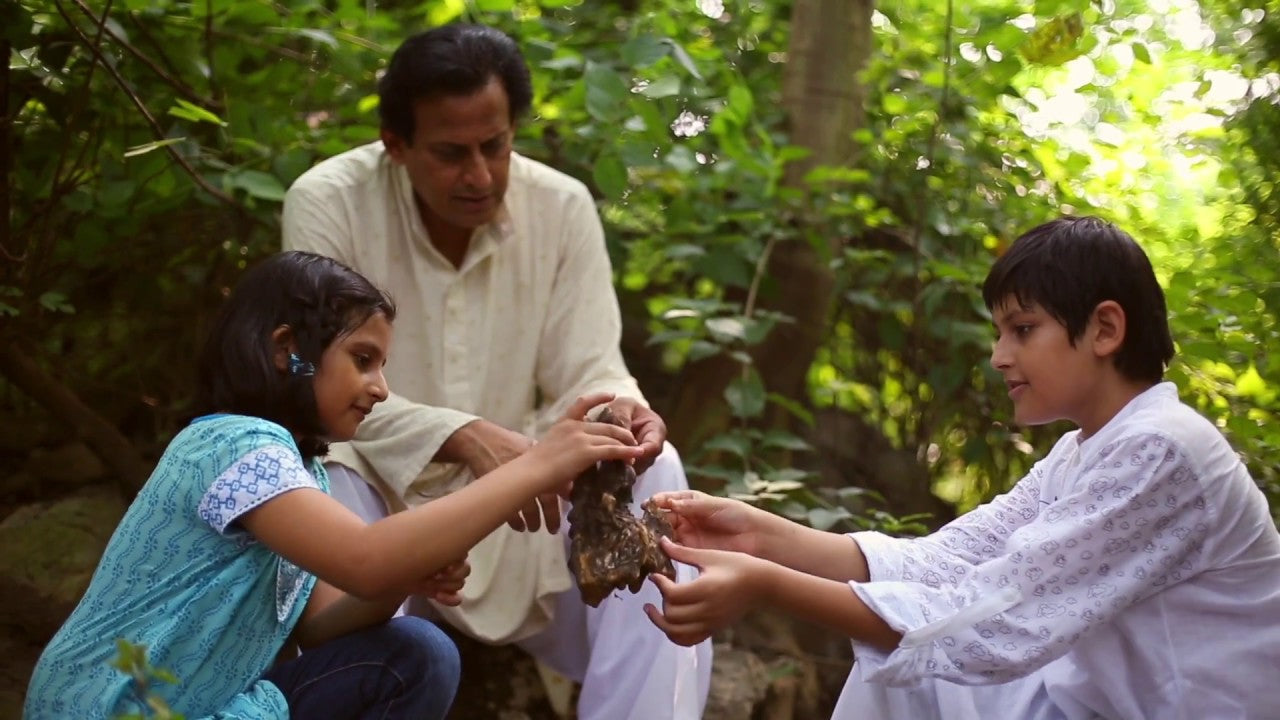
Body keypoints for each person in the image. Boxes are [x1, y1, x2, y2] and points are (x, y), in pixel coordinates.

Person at [644, 216, 1280, 719]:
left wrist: (766, 584)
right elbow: (949, 561)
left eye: (1022, 329)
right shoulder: (1085, 453)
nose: (1000, 356)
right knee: (907, 679)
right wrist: (764, 537)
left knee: (923, 666)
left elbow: (989, 619)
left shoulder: (1160, 450)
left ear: (1106, 328)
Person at [281, 22, 711, 720]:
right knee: (322, 478)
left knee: (657, 478)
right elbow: (322, 388)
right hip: (377, 504)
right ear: (395, 145)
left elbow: (591, 369)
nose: (479, 175)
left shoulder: (563, 207)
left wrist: (623, 415)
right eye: (451, 153)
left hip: (526, 520)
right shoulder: (328, 201)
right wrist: (464, 436)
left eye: (495, 146)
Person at [23, 250, 645, 720]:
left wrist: (410, 572)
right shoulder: (229, 444)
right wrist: (534, 466)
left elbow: (320, 624)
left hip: (197, 707)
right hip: (108, 706)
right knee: (418, 650)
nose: (379, 386)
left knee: (416, 653)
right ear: (286, 351)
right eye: (364, 359)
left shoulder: (300, 471)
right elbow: (365, 561)